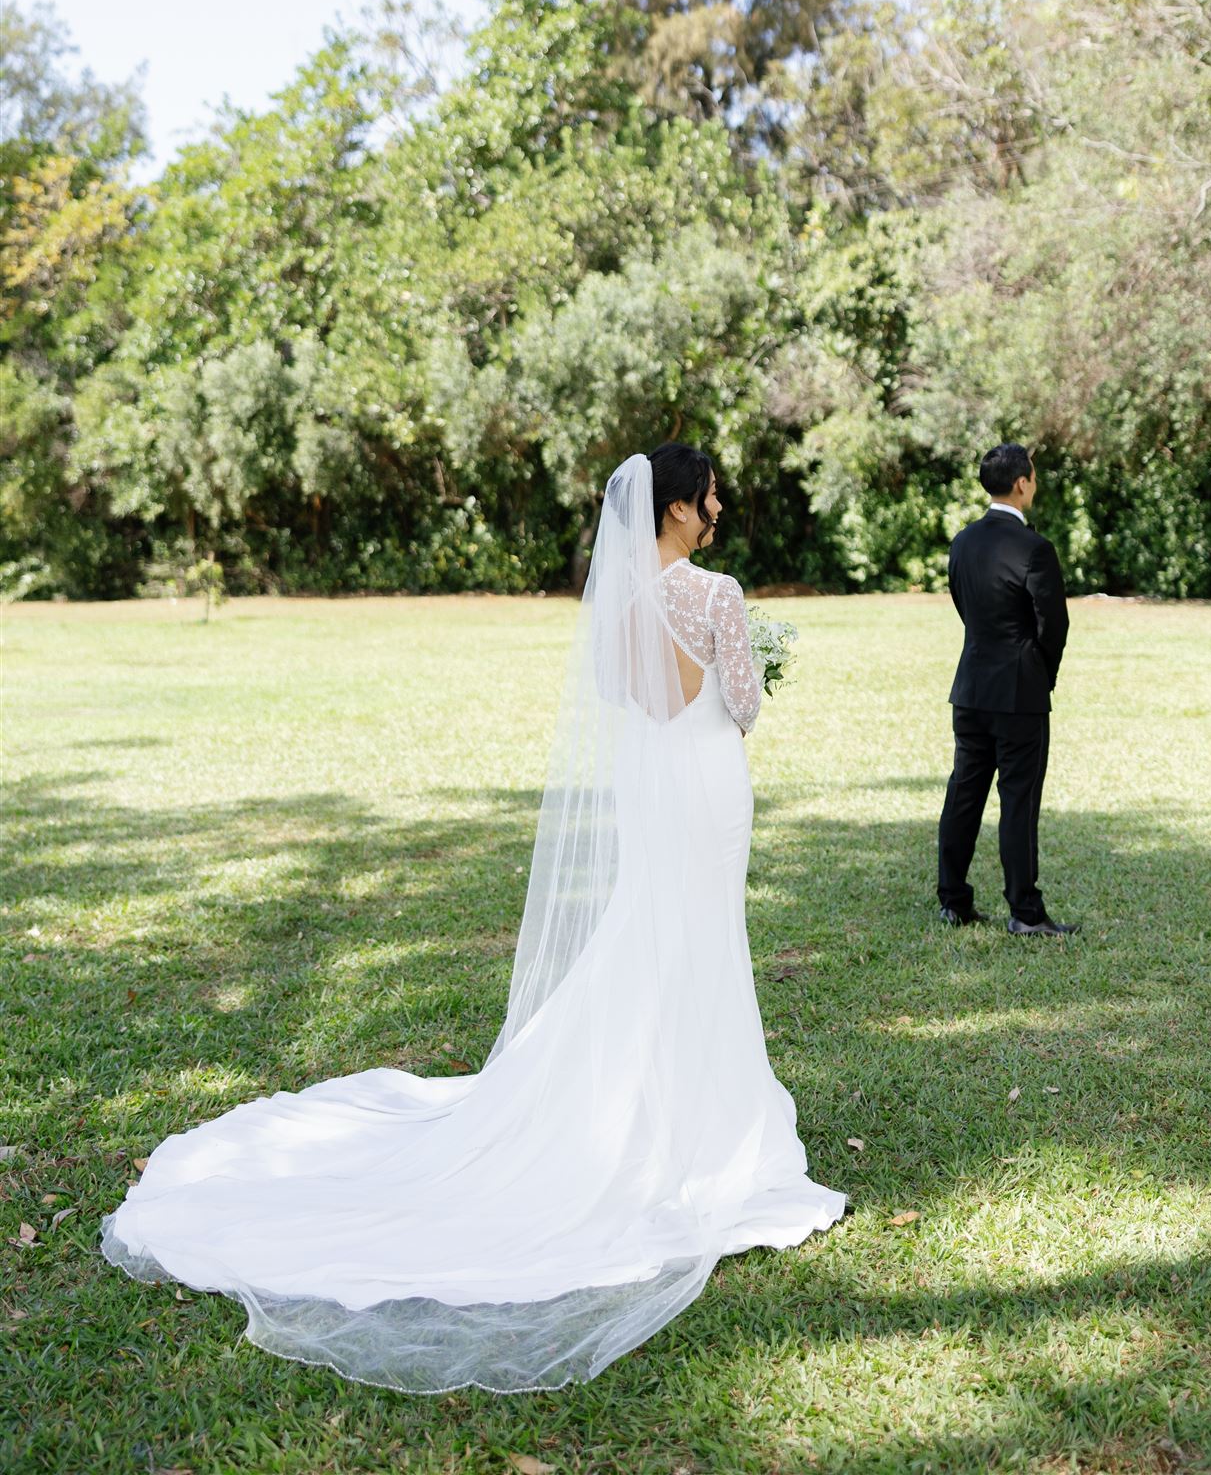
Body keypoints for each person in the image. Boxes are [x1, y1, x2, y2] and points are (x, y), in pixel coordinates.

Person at [100, 445, 844, 1393]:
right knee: (701, 938)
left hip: (657, 794)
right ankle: (701, 1125)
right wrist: (757, 664)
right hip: (707, 786)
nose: (719, 507)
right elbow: (737, 702)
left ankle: (643, 1107)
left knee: (652, 931)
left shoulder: (619, 602)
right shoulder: (718, 593)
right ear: (676, 510)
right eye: (708, 497)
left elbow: (625, 700)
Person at [936, 443, 1079, 936]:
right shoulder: (1034, 548)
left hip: (971, 686)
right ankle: (1025, 911)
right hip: (1019, 694)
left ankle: (952, 900)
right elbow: (1053, 625)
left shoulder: (962, 542)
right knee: (1018, 801)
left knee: (964, 794)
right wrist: (1044, 675)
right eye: (1034, 477)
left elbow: (963, 604)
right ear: (1022, 483)